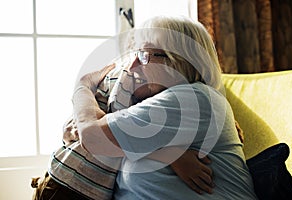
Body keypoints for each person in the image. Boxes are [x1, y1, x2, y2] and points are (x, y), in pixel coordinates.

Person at [72, 15, 258, 199]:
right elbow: (76, 132)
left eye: (145, 56)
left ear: (176, 61)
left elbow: (92, 136)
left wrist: (83, 87)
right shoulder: (158, 108)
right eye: (136, 55)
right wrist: (168, 154)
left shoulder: (191, 99)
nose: (133, 65)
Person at [31, 64, 215, 199]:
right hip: (68, 184)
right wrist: (172, 155)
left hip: (93, 190)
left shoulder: (172, 96)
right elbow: (115, 134)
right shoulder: (127, 79)